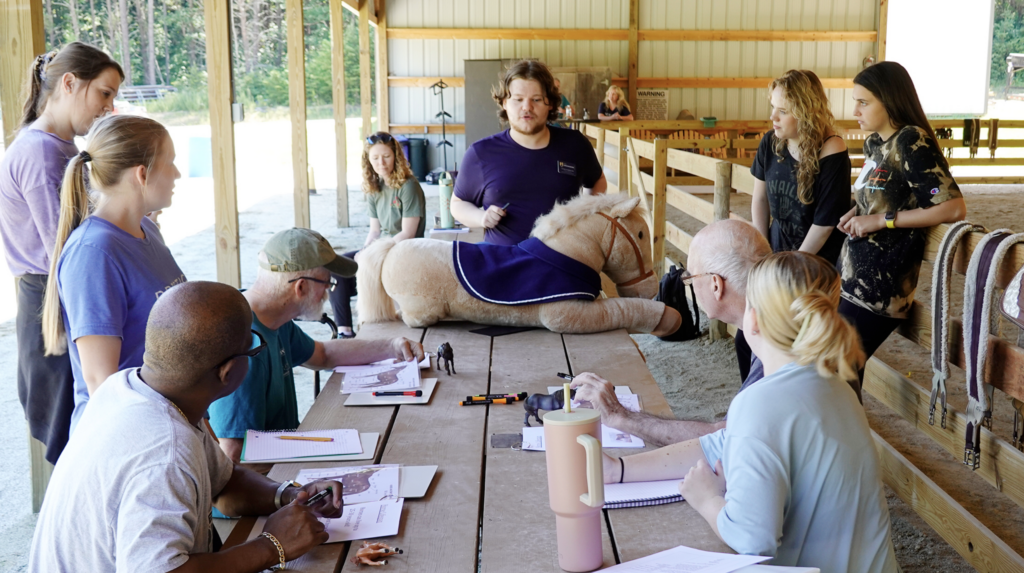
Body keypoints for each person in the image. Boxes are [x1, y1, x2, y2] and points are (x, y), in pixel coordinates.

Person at [607, 252, 898, 572]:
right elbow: (720, 444)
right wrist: (619, 470)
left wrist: (707, 501)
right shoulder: (834, 384)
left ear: (753, 318)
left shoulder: (761, 403)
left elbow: (752, 539)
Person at [29, 281, 344, 572]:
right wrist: (272, 545)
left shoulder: (126, 389)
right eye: (254, 347)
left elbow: (225, 482)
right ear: (229, 371)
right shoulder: (166, 451)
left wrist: (291, 495)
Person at [0, 42, 123, 463]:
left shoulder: (59, 147)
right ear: (69, 83)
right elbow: (69, 247)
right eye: (104, 93)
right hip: (52, 302)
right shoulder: (41, 151)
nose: (109, 107)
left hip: (57, 296)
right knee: (75, 449)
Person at [209, 227, 425, 463]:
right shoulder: (244, 347)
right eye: (327, 283)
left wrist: (391, 346)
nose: (328, 292)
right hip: (268, 485)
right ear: (300, 287)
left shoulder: (271, 318)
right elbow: (232, 456)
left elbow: (323, 354)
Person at [41, 114, 186, 435]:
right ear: (142, 174)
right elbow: (101, 383)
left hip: (164, 422)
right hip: (128, 436)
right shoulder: (94, 253)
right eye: (171, 163)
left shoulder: (147, 228)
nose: (177, 174)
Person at [572, 219, 771, 446]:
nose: (690, 285)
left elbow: (727, 438)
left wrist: (620, 416)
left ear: (716, 285)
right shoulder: (758, 324)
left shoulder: (770, 337)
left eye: (690, 278)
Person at [838, 61, 967, 360]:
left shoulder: (911, 141)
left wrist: (883, 221)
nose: (855, 111)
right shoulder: (874, 143)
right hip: (850, 275)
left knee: (838, 369)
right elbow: (883, 194)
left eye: (863, 103)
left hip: (882, 287)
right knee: (839, 372)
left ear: (890, 100)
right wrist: (857, 210)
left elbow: (951, 206)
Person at [451, 59, 607, 245]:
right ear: (504, 103)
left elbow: (597, 181)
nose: (527, 107)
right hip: (503, 264)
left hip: (562, 262)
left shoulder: (575, 145)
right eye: (518, 99)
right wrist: (481, 217)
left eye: (536, 99)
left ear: (550, 103)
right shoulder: (481, 153)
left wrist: (585, 216)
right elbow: (458, 204)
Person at [328, 131, 425, 337]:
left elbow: (408, 233)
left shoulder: (408, 186)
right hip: (380, 247)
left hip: (405, 249)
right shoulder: (374, 187)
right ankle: (344, 332)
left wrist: (372, 254)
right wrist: (364, 252)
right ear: (368, 160)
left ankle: (375, 320)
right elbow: (374, 230)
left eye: (386, 156)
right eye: (375, 158)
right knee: (337, 268)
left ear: (396, 156)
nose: (381, 163)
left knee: (365, 263)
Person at [751, 70, 850, 266]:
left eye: (783, 111)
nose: (773, 117)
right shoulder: (770, 142)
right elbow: (760, 199)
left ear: (806, 113)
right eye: (773, 107)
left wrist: (794, 264)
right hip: (777, 248)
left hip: (816, 260)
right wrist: (763, 252)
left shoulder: (832, 151)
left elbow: (824, 224)